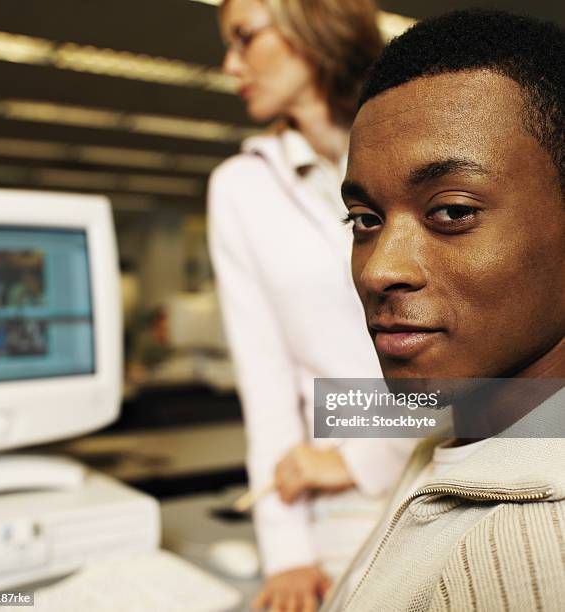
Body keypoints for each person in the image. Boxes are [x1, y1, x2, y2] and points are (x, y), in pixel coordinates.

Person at [323, 9, 565, 611]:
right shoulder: (461, 435)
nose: (380, 269)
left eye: (452, 212)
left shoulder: (521, 553)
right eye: (365, 221)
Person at [208, 0, 416, 609]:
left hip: (457, 459)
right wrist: (287, 552)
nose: (229, 64)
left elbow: (493, 360)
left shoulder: (426, 143)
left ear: (311, 23)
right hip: (337, 498)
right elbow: (267, 380)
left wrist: (362, 456)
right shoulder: (240, 188)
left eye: (245, 37)